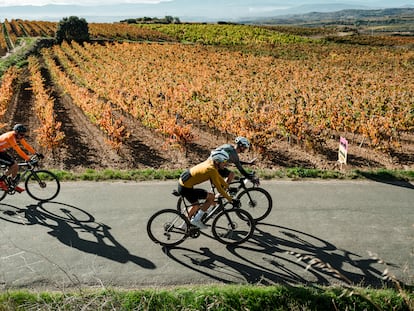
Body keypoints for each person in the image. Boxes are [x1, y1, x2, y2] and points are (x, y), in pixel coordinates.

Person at [177, 149, 237, 229]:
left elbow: (219, 178)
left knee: (203, 201)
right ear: (217, 161)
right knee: (207, 199)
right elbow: (220, 190)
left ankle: (185, 224)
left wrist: (228, 187)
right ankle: (195, 220)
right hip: (185, 187)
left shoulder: (211, 163)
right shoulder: (211, 170)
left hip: (184, 183)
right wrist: (231, 200)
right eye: (224, 162)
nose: (225, 164)